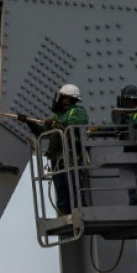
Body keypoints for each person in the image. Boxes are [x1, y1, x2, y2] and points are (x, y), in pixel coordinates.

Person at [16, 83, 89, 215]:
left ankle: (79, 212)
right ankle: (65, 214)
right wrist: (29, 122)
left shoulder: (77, 111)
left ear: (67, 98)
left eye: (61, 96)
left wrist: (58, 124)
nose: (58, 99)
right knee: (60, 189)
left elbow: (76, 124)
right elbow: (42, 132)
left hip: (71, 158)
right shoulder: (57, 117)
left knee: (73, 188)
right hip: (57, 159)